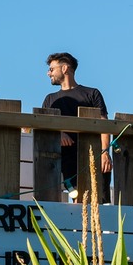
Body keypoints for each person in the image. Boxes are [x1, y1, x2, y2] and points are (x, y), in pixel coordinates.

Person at [40, 52, 108, 200]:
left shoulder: (92, 94)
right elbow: (43, 127)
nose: (48, 73)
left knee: (101, 200)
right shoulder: (50, 99)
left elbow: (104, 125)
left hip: (94, 155)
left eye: (51, 69)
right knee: (77, 198)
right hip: (66, 160)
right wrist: (59, 133)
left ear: (65, 68)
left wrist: (104, 152)